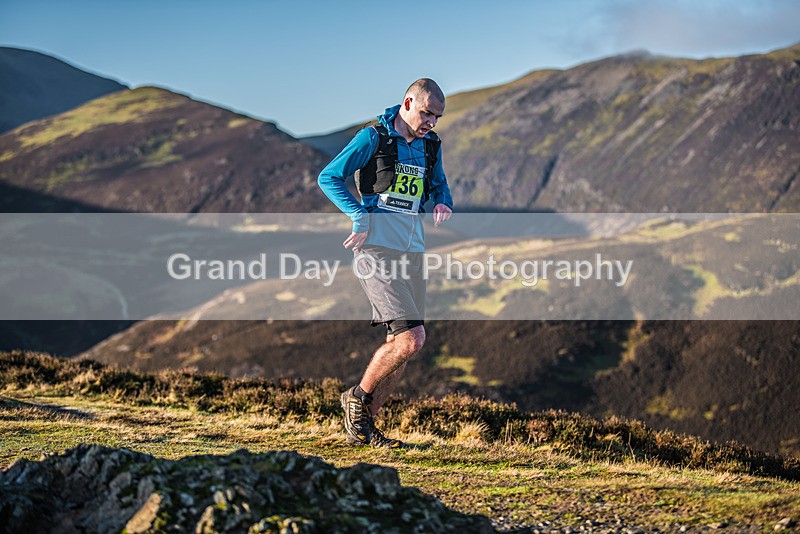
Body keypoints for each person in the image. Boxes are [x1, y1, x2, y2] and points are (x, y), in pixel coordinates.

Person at [318, 78, 453, 448]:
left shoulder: (431, 146)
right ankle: (356, 401)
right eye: (427, 113)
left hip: (413, 250)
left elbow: (439, 184)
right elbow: (328, 177)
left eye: (437, 117)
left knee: (402, 344)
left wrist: (443, 201)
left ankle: (363, 429)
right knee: (411, 339)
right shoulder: (373, 137)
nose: (431, 123)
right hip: (376, 250)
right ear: (408, 102)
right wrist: (359, 215)